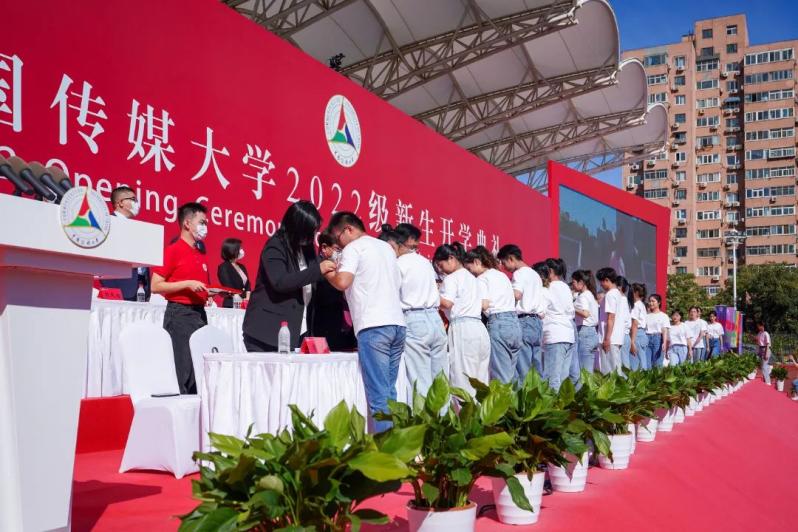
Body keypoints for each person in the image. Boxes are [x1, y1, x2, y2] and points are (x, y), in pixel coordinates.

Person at [324, 212, 405, 432]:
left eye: (337, 237)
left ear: (348, 229)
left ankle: (385, 450)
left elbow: (342, 282)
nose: (338, 244)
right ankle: (399, 445)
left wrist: (328, 272)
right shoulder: (386, 248)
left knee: (379, 398)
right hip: (397, 323)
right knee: (390, 394)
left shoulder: (354, 248)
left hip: (373, 325)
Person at [242, 201, 336, 352]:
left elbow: (315, 277)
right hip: (267, 332)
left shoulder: (307, 248)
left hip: (298, 329)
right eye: (309, 232)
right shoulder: (276, 245)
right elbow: (281, 282)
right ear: (297, 227)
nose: (312, 237)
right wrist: (319, 270)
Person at [151, 202, 211, 394]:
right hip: (180, 315)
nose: (205, 227)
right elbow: (155, 285)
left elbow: (197, 286)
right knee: (182, 370)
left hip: (199, 314)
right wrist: (187, 284)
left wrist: (210, 292)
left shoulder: (199, 252)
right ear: (187, 223)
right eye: (202, 222)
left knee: (197, 371)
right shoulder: (174, 250)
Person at [384, 223, 447, 396]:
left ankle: (423, 415)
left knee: (420, 381)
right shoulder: (425, 262)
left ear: (399, 243)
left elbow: (391, 294)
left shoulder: (398, 264)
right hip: (435, 318)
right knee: (441, 380)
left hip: (414, 319)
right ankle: (444, 414)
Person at [434, 242, 490, 396]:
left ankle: (465, 411)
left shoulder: (452, 278)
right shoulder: (474, 278)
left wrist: (431, 293)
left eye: (441, 265)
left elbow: (447, 303)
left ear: (451, 258)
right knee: (480, 378)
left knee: (462, 378)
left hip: (463, 328)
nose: (441, 270)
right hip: (479, 327)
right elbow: (485, 304)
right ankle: (482, 411)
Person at [464, 246, 521, 385]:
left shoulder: (481, 279)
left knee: (501, 376)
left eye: (469, 269)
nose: (470, 273)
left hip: (498, 323)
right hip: (514, 324)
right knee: (511, 375)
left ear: (477, 262)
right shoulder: (501, 275)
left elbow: (484, 304)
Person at [497, 244, 546, 381]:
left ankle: (524, 394)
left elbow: (517, 295)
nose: (504, 267)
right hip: (537, 322)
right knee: (536, 366)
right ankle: (539, 393)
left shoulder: (519, 273)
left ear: (511, 258)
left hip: (524, 321)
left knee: (523, 367)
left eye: (504, 263)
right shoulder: (535, 274)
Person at [100, 186, 150, 301]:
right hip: (118, 290)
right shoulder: (108, 224)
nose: (137, 204)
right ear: (120, 203)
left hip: (141, 291)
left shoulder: (137, 228)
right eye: (133, 200)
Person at [309, 231, 356, 351]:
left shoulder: (345, 267)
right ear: (324, 248)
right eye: (338, 249)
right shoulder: (315, 268)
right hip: (325, 329)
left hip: (347, 330)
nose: (342, 253)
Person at [541, 258, 575, 391]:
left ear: (550, 271)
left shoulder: (549, 288)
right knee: (562, 378)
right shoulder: (566, 287)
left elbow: (541, 310)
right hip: (568, 335)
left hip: (555, 335)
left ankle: (552, 404)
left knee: (552, 379)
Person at [596, 267, 625, 376]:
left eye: (601, 281)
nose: (601, 284)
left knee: (610, 371)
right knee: (615, 368)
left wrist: (607, 339)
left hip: (610, 338)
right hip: (615, 337)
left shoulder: (610, 295)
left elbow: (610, 318)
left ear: (607, 280)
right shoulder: (618, 294)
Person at [571, 270, 599, 373]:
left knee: (584, 371)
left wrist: (572, 307)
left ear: (581, 283)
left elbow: (585, 313)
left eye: (574, 282)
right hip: (592, 332)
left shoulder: (583, 296)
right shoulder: (590, 295)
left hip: (585, 332)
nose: (572, 285)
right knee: (588, 371)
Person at [216, 238, 251, 308]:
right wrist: (240, 298)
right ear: (232, 249)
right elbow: (229, 287)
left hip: (244, 305)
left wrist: (247, 299)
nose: (242, 250)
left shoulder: (242, 266)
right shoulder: (224, 267)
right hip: (231, 304)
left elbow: (248, 286)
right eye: (240, 248)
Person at [645, 294, 670, 368]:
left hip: (658, 339)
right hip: (647, 339)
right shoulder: (647, 316)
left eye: (653, 301)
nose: (651, 303)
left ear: (659, 302)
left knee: (657, 364)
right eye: (650, 301)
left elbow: (664, 330)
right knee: (647, 364)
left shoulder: (663, 316)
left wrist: (664, 342)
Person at [628, 283, 649, 371]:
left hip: (637, 335)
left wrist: (632, 342)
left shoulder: (636, 305)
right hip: (642, 334)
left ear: (636, 292)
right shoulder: (642, 305)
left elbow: (635, 323)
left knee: (635, 364)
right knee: (642, 361)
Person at [616, 276, 633, 370]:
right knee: (624, 364)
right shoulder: (625, 300)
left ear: (618, 287)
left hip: (622, 335)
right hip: (624, 335)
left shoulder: (621, 300)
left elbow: (620, 320)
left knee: (622, 365)